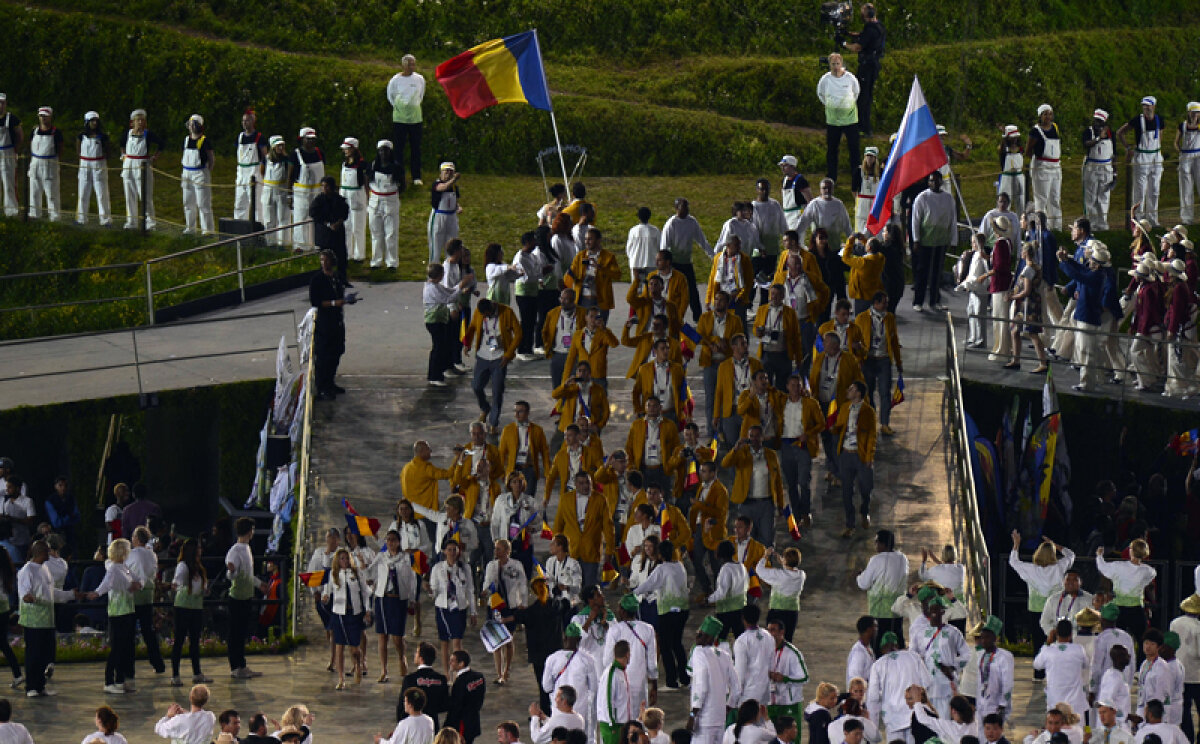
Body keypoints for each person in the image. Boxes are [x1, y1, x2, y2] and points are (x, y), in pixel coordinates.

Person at [84, 538, 140, 694]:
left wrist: (138, 584)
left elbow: (137, 579)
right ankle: (109, 681)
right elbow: (106, 584)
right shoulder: (114, 568)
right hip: (117, 612)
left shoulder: (124, 567)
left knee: (125, 646)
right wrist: (96, 593)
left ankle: (120, 679)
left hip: (127, 610)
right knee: (117, 647)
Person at [462, 298, 522, 434]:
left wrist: (509, 354)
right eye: (482, 315)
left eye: (487, 314)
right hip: (483, 355)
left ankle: (494, 422)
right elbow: (472, 327)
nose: (484, 317)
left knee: (497, 391)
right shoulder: (479, 312)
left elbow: (518, 333)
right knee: (476, 385)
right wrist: (467, 344)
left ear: (492, 308)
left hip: (499, 358)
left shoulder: (507, 312)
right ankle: (485, 408)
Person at [1056, 243, 1109, 392]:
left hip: (1088, 318)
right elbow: (1082, 270)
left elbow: (1078, 275)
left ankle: (1087, 383)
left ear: (1097, 264)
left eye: (1092, 259)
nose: (1089, 260)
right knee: (1085, 350)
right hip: (1085, 316)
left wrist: (1063, 262)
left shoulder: (1096, 276)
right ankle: (1096, 379)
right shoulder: (1097, 273)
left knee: (1086, 353)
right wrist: (1067, 260)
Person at [722, 426, 784, 546]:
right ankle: (749, 564)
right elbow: (725, 463)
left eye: (757, 436)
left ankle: (766, 564)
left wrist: (780, 504)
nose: (754, 439)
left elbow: (778, 482)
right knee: (748, 540)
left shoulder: (771, 455)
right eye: (751, 436)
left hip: (766, 504)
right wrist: (736, 448)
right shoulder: (741, 453)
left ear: (762, 437)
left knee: (767, 539)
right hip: (747, 504)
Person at [322, 546, 372, 689]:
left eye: (346, 558)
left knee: (355, 648)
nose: (344, 561)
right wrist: (325, 598)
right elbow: (327, 590)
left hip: (354, 614)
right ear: (337, 560)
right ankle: (341, 678)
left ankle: (358, 665)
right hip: (339, 614)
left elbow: (365, 593)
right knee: (339, 647)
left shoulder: (357, 573)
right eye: (341, 558)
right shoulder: (333, 574)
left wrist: (367, 610)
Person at [309, 249, 354, 401]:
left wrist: (347, 300)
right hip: (325, 322)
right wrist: (335, 303)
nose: (324, 263)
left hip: (337, 321)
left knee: (337, 351)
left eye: (326, 260)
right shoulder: (317, 280)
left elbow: (341, 294)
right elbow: (316, 302)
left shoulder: (336, 277)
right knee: (324, 356)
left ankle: (330, 382)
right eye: (322, 260)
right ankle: (322, 387)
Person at [915, 597, 971, 718]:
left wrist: (952, 666)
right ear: (928, 612)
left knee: (945, 723)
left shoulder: (953, 632)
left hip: (946, 685)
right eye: (932, 610)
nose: (934, 614)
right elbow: (912, 656)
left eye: (937, 610)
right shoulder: (920, 633)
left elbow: (967, 655)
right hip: (927, 686)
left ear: (943, 612)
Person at [688, 616, 739, 744]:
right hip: (720, 718)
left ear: (710, 638)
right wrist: (728, 707)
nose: (697, 637)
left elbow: (701, 687)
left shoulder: (699, 653)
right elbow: (737, 688)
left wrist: (692, 716)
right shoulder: (725, 656)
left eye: (701, 634)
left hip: (704, 721)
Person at [911, 171, 957, 312]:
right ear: (928, 182)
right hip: (926, 240)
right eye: (932, 180)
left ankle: (935, 301)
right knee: (922, 271)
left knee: (937, 272)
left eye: (937, 181)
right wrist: (916, 239)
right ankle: (918, 301)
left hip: (941, 240)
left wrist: (953, 240)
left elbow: (952, 220)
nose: (934, 183)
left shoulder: (948, 198)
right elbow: (916, 220)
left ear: (941, 182)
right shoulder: (922, 198)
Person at [225, 517, 265, 680]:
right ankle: (235, 666)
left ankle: (241, 664)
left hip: (246, 594)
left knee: (241, 632)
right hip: (237, 597)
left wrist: (258, 584)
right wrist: (232, 571)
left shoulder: (246, 549)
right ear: (249, 531)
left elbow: (248, 574)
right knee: (235, 632)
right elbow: (231, 574)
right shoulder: (235, 550)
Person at [855, 292, 900, 435]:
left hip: (884, 360)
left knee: (885, 393)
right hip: (868, 360)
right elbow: (855, 340)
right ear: (875, 303)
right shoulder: (861, 318)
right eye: (884, 303)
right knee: (867, 394)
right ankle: (870, 422)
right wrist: (858, 360)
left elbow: (894, 341)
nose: (886, 305)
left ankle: (885, 424)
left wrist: (898, 362)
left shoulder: (890, 318)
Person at [661, 197, 713, 321]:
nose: (686, 210)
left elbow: (702, 240)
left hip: (686, 262)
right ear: (677, 209)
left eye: (687, 207)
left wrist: (713, 256)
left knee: (692, 291)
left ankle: (698, 318)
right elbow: (664, 245)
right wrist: (665, 264)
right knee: (674, 291)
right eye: (683, 207)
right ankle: (671, 316)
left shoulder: (692, 222)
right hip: (674, 263)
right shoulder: (671, 224)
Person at [855, 530, 908, 652]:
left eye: (876, 542)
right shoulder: (903, 558)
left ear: (883, 544)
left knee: (879, 646)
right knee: (897, 642)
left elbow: (864, 583)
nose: (875, 545)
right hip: (897, 611)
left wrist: (859, 575)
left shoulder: (876, 560)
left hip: (880, 611)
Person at [1117, 97, 1165, 226]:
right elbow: (1120, 132)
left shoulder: (1159, 119)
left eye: (1148, 106)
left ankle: (1153, 219)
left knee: (1154, 190)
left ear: (1154, 106)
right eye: (1144, 106)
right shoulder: (1138, 120)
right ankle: (1138, 219)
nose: (1146, 108)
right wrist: (1128, 147)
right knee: (1140, 190)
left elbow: (1160, 135)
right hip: (1142, 156)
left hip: (1156, 156)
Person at [168, 538, 209, 686]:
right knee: (179, 640)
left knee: (195, 642)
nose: (201, 550)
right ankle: (175, 675)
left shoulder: (198, 567)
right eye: (198, 548)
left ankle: (197, 672)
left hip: (196, 606)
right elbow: (177, 582)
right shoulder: (183, 566)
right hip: (183, 606)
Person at [126, 526, 165, 680]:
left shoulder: (132, 554)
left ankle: (129, 668)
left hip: (133, 594)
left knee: (129, 632)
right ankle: (158, 663)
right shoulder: (152, 554)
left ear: (136, 539)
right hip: (148, 594)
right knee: (148, 630)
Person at [817, 54, 861, 189]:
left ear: (841, 63)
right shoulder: (825, 79)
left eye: (837, 64)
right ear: (829, 65)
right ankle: (832, 177)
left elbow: (856, 92)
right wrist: (831, 106)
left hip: (850, 120)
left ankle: (857, 178)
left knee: (854, 149)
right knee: (832, 150)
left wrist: (846, 105)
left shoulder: (850, 78)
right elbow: (820, 94)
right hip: (833, 121)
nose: (836, 67)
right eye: (833, 64)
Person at [1005, 242, 1049, 373]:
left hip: (1027, 305)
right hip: (1029, 304)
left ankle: (1042, 362)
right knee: (1016, 331)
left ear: (1025, 253)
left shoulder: (1028, 270)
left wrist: (1012, 297)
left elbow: (1027, 290)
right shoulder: (1036, 267)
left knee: (1032, 333)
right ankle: (1016, 359)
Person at [1034, 619, 1090, 713]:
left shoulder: (1048, 651)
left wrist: (1047, 643)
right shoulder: (1079, 649)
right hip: (1075, 703)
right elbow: (1086, 664)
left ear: (1056, 634)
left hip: (1054, 702)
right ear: (1071, 634)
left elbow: (1036, 665)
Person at [364, 139, 404, 269]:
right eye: (381, 150)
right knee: (375, 232)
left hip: (390, 200)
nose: (383, 153)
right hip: (375, 200)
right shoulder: (373, 165)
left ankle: (392, 262)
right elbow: (366, 180)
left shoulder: (397, 167)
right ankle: (376, 261)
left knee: (391, 233)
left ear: (390, 152)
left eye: (386, 150)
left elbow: (402, 185)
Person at [388, 54, 426, 185]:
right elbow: (391, 97)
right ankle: (399, 176)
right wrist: (401, 108)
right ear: (403, 65)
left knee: (416, 148)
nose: (412, 67)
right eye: (410, 64)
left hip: (416, 119)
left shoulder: (420, 79)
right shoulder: (395, 80)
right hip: (400, 119)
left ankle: (416, 176)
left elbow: (421, 95)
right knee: (399, 149)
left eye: (414, 64)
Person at [1026, 105, 1063, 229]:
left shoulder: (1055, 128)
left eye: (1050, 113)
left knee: (1055, 198)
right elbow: (1028, 150)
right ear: (1040, 116)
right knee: (1041, 198)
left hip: (1056, 166)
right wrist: (1035, 164)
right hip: (1042, 167)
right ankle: (1041, 227)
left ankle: (1056, 227)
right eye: (1045, 114)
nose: (1048, 116)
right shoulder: (1036, 131)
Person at [178, 113, 215, 234]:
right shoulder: (186, 140)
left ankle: (207, 230)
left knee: (203, 203)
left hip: (200, 173)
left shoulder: (204, 141)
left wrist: (207, 171)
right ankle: (190, 227)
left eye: (194, 124)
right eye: (191, 124)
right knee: (188, 202)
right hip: (186, 173)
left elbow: (211, 158)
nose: (192, 126)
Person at [311, 175, 351, 283]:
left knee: (341, 257)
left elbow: (345, 212)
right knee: (325, 259)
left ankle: (342, 279)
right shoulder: (318, 201)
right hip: (324, 235)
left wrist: (339, 222)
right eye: (323, 186)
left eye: (327, 186)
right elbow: (314, 214)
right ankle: (324, 280)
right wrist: (328, 224)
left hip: (337, 234)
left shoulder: (339, 200)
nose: (324, 189)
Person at [76, 111, 113, 226]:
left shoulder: (103, 136)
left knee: (102, 193)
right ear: (87, 122)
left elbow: (108, 151)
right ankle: (81, 218)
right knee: (83, 193)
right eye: (92, 121)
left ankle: (105, 219)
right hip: (85, 165)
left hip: (99, 164)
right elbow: (78, 150)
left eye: (96, 120)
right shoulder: (81, 136)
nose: (94, 123)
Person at [401, 643, 450, 728]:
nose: (414, 654)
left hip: (413, 725)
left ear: (421, 658)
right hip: (433, 725)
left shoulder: (410, 679)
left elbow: (402, 707)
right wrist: (432, 709)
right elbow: (445, 704)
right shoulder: (441, 679)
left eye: (417, 652)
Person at [290, 127, 325, 250]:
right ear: (302, 139)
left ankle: (317, 243)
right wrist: (290, 194)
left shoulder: (320, 153)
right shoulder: (296, 154)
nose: (311, 142)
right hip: (301, 191)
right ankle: (300, 245)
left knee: (318, 217)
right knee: (300, 217)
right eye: (308, 139)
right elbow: (291, 174)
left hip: (317, 191)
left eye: (313, 139)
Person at [336, 137, 369, 263]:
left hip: (357, 195)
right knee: (346, 226)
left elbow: (365, 182)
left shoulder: (362, 165)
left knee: (358, 227)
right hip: (345, 194)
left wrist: (367, 197)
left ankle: (359, 254)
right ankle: (347, 253)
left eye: (347, 148)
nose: (345, 151)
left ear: (354, 149)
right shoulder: (344, 163)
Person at [27, 106, 62, 221]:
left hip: (50, 163)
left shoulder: (56, 132)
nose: (43, 118)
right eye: (41, 116)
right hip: (35, 163)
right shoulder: (34, 131)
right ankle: (34, 214)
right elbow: (30, 144)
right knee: (34, 191)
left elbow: (60, 149)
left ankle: (54, 217)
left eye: (45, 116)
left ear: (50, 117)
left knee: (51, 192)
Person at [1082, 110, 1116, 231]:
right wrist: (1098, 138)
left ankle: (1102, 223)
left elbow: (1114, 154)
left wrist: (1115, 173)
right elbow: (1086, 144)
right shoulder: (1089, 132)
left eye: (1100, 122)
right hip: (1092, 166)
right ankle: (1090, 224)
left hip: (1106, 167)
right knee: (1090, 197)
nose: (1097, 124)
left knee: (1104, 197)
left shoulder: (1111, 134)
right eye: (1096, 121)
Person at [233, 109, 268, 221]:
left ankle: (259, 228)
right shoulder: (239, 137)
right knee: (239, 203)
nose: (244, 123)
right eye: (243, 121)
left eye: (247, 120)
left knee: (257, 203)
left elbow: (265, 156)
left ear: (253, 121)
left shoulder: (259, 137)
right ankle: (239, 229)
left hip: (254, 171)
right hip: (241, 172)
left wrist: (263, 169)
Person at [447, 650, 487, 744]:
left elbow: (456, 707)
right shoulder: (479, 677)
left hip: (462, 726)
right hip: (474, 721)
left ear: (461, 664)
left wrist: (448, 726)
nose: (450, 663)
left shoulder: (460, 683)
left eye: (452, 661)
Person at [258, 135, 291, 246]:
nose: (281, 148)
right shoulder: (266, 159)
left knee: (283, 218)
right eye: (278, 146)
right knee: (269, 218)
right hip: (268, 191)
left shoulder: (286, 160)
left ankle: (283, 243)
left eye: (282, 145)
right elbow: (262, 172)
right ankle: (270, 243)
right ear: (273, 147)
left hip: (281, 191)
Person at [0, 94, 22, 218]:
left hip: (7, 152)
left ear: (6, 104)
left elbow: (20, 135)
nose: (0, 105)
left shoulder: (11, 119)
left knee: (9, 182)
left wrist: (15, 150)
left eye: (2, 103)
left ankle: (11, 212)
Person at [627, 207, 662, 283]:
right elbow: (660, 247)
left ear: (638, 217)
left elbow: (629, 248)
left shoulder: (633, 230)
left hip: (636, 263)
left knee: (636, 289)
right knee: (651, 288)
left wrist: (631, 258)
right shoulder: (655, 230)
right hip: (651, 263)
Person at [1179, 103, 1200, 224]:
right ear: (1188, 112)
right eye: (1193, 112)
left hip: (1199, 155)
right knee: (1186, 188)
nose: (1195, 114)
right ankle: (1187, 218)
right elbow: (1177, 141)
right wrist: (1179, 150)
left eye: (1197, 112)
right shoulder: (1182, 126)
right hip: (1185, 156)